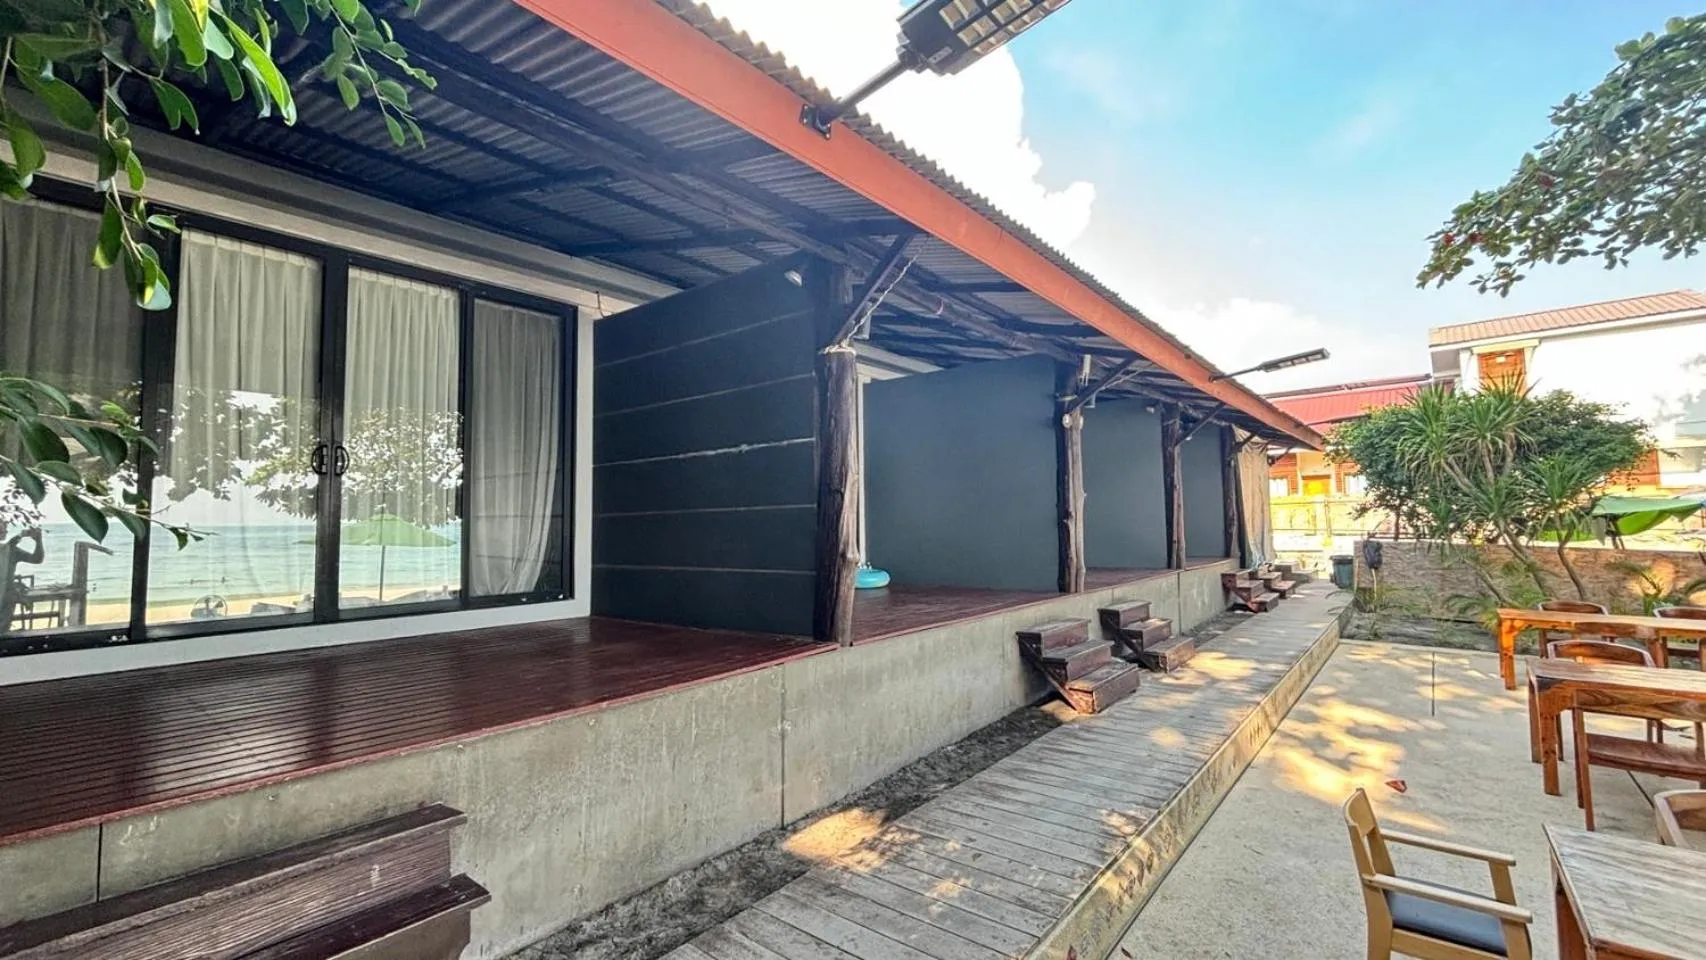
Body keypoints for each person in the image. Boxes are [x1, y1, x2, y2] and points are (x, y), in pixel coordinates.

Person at [0, 527, 45, 632]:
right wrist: (20, 535)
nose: (5, 533)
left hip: (6, 598)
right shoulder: (9, 548)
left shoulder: (12, 550)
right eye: (2, 531)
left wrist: (38, 541)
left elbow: (37, 559)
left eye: (5, 530)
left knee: (3, 631)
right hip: (6, 596)